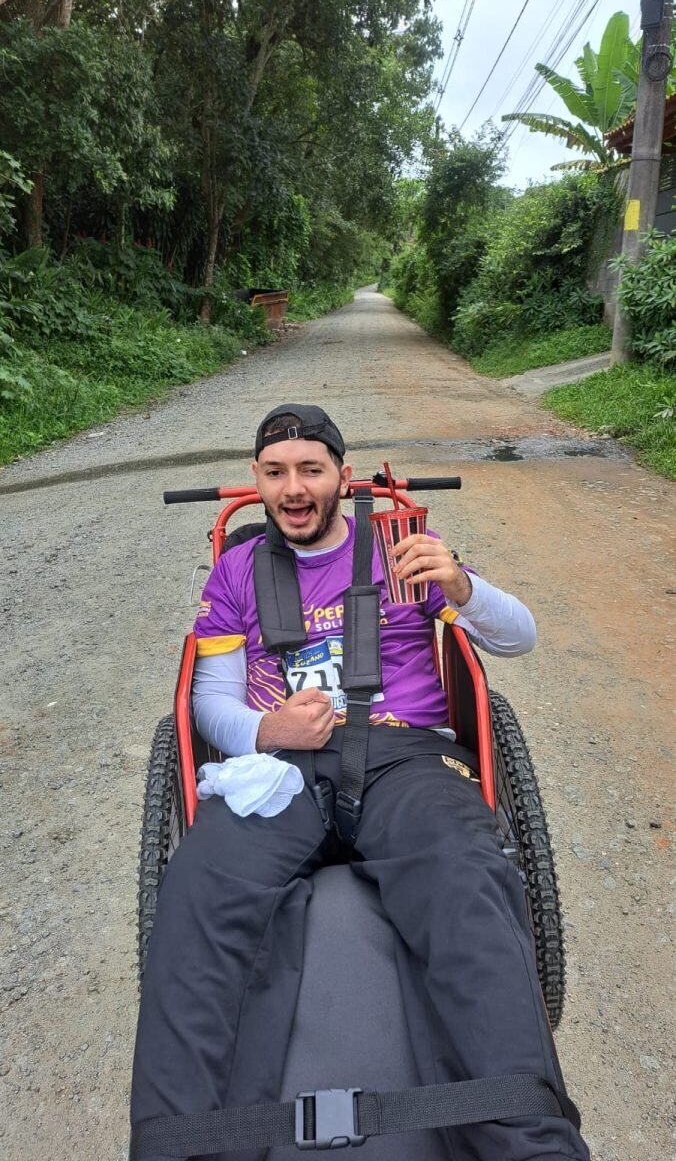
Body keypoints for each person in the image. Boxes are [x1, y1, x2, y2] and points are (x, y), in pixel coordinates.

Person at [130, 403, 590, 1161]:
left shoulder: (399, 551)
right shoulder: (236, 571)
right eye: (276, 473)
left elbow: (520, 637)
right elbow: (209, 701)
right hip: (279, 769)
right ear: (257, 481)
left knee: (465, 877)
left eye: (311, 470)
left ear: (343, 477)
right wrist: (265, 731)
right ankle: (182, 1145)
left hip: (405, 755)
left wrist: (463, 588)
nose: (294, 488)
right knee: (199, 888)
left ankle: (527, 1137)